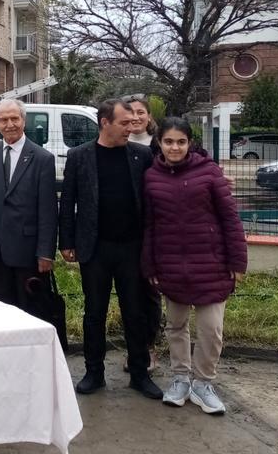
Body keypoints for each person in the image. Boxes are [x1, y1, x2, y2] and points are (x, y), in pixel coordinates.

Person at [58, 98, 163, 400]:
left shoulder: (141, 155)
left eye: (133, 123)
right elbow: (68, 203)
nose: (131, 128)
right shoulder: (79, 156)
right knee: (94, 313)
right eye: (124, 123)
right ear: (105, 123)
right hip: (95, 248)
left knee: (136, 313)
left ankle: (140, 374)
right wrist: (66, 242)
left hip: (132, 248)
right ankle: (94, 372)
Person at [142, 117, 247, 414]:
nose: (174, 147)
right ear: (159, 143)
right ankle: (180, 378)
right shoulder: (151, 177)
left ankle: (203, 383)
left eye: (181, 141)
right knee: (176, 326)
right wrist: (149, 265)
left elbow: (230, 218)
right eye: (168, 142)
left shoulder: (209, 172)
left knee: (211, 330)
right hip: (170, 265)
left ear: (190, 143)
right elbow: (149, 225)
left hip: (211, 264)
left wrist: (238, 260)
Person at [0, 98, 57, 309]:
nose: (9, 124)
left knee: (30, 311)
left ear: (24, 120)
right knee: (0, 312)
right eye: (3, 119)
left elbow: (48, 211)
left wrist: (45, 253)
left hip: (28, 252)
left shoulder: (42, 158)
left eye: (14, 118)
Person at [123, 93, 161, 373]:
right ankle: (132, 349)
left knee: (149, 293)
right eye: (130, 113)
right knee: (129, 295)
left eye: (140, 112)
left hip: (155, 231)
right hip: (126, 233)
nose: (135, 118)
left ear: (149, 117)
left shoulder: (161, 146)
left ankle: (149, 347)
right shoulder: (118, 144)